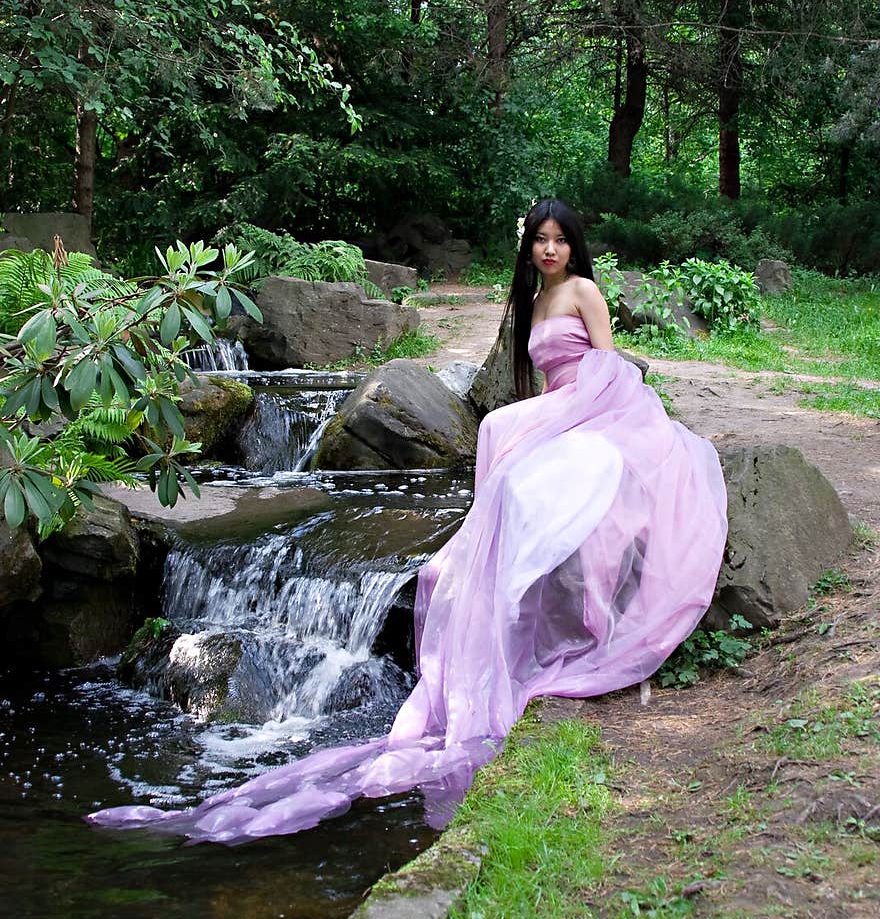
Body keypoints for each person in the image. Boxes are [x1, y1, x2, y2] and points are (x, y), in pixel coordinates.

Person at [88, 199, 728, 844]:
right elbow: (537, 384)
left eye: (560, 240)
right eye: (540, 240)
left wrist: (545, 423)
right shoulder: (532, 303)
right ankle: (503, 583)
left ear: (574, 245)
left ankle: (543, 594)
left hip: (597, 413)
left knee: (504, 434)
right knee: (503, 451)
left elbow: (607, 370)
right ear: (529, 246)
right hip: (556, 414)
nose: (550, 250)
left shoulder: (585, 291)